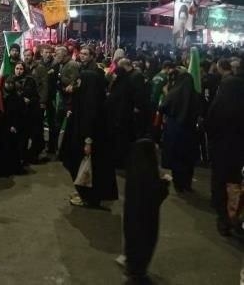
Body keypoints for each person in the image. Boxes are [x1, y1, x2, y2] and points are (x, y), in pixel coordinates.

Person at [61, 54, 118, 208]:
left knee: (88, 169)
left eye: (80, 81)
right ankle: (83, 193)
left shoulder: (92, 104)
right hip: (85, 140)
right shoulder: (86, 99)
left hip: (89, 142)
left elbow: (91, 123)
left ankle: (88, 197)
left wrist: (88, 141)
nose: (78, 83)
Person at [121, 138, 170, 281]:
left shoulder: (134, 171)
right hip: (146, 221)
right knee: (143, 245)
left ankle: (132, 268)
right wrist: (165, 183)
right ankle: (138, 273)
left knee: (133, 243)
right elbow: (155, 196)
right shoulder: (148, 174)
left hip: (132, 219)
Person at [205, 64, 244, 237]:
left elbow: (212, 118)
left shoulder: (226, 90)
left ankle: (224, 218)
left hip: (223, 146)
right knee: (236, 182)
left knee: (222, 181)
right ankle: (236, 216)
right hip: (238, 147)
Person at [160, 68, 201, 192]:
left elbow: (163, 107)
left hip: (174, 129)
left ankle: (178, 184)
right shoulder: (196, 95)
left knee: (176, 157)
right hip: (190, 130)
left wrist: (166, 93)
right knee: (187, 158)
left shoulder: (174, 92)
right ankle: (187, 184)